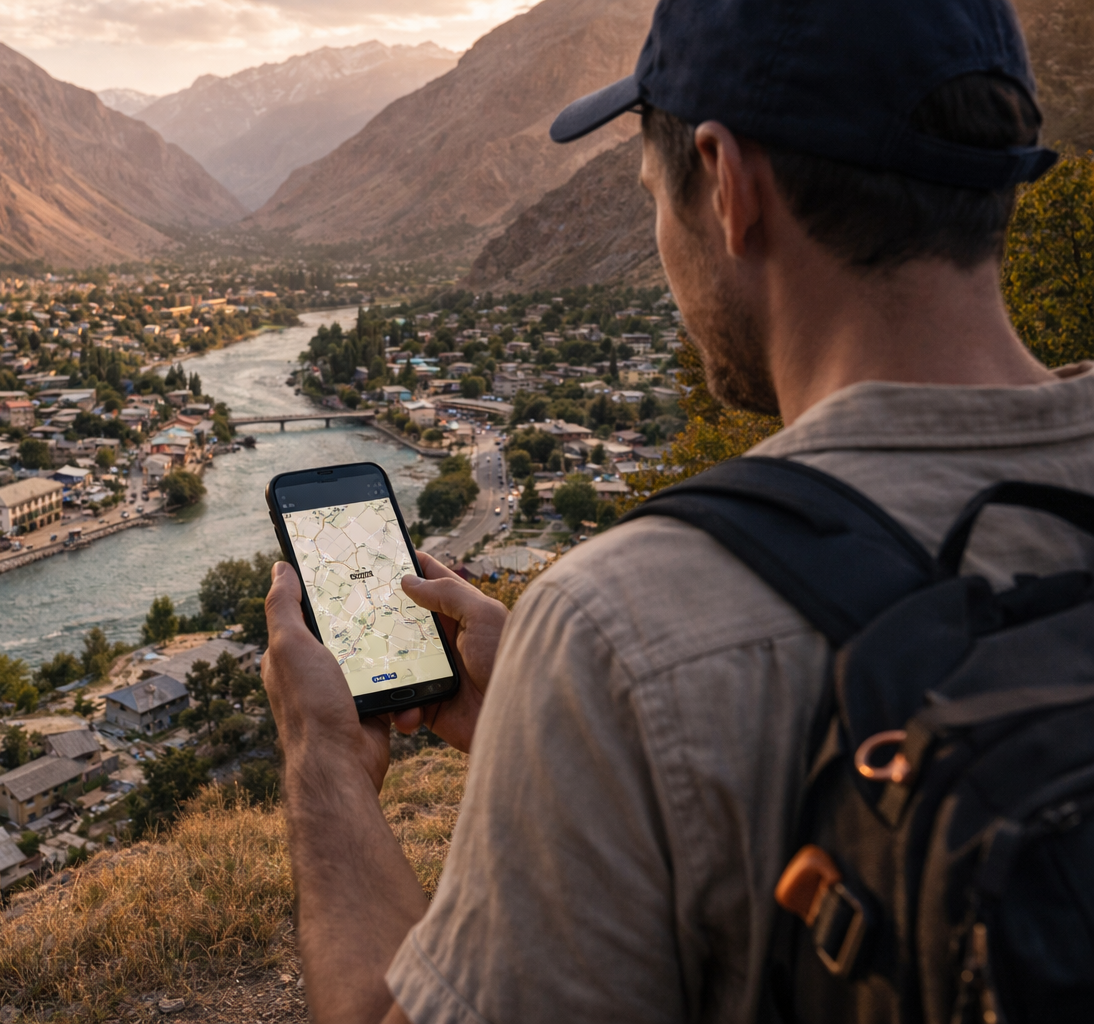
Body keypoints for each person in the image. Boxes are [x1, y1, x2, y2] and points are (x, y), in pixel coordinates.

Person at [260, 0, 1087, 1021]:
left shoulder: (622, 627)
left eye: (655, 189)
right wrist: (546, 707)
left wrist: (324, 759)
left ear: (730, 185)